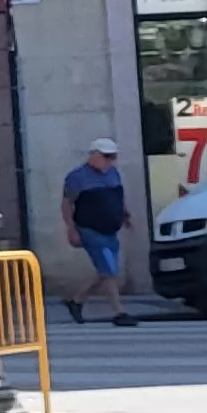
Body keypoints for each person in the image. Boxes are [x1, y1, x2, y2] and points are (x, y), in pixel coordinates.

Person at [63, 139, 135, 327]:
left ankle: (76, 300)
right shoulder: (77, 177)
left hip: (111, 229)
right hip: (90, 230)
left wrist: (126, 215)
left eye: (113, 157)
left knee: (107, 271)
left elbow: (119, 196)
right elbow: (67, 204)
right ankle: (119, 311)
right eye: (107, 156)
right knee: (109, 270)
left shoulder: (113, 174)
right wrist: (71, 229)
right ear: (93, 155)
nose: (110, 161)